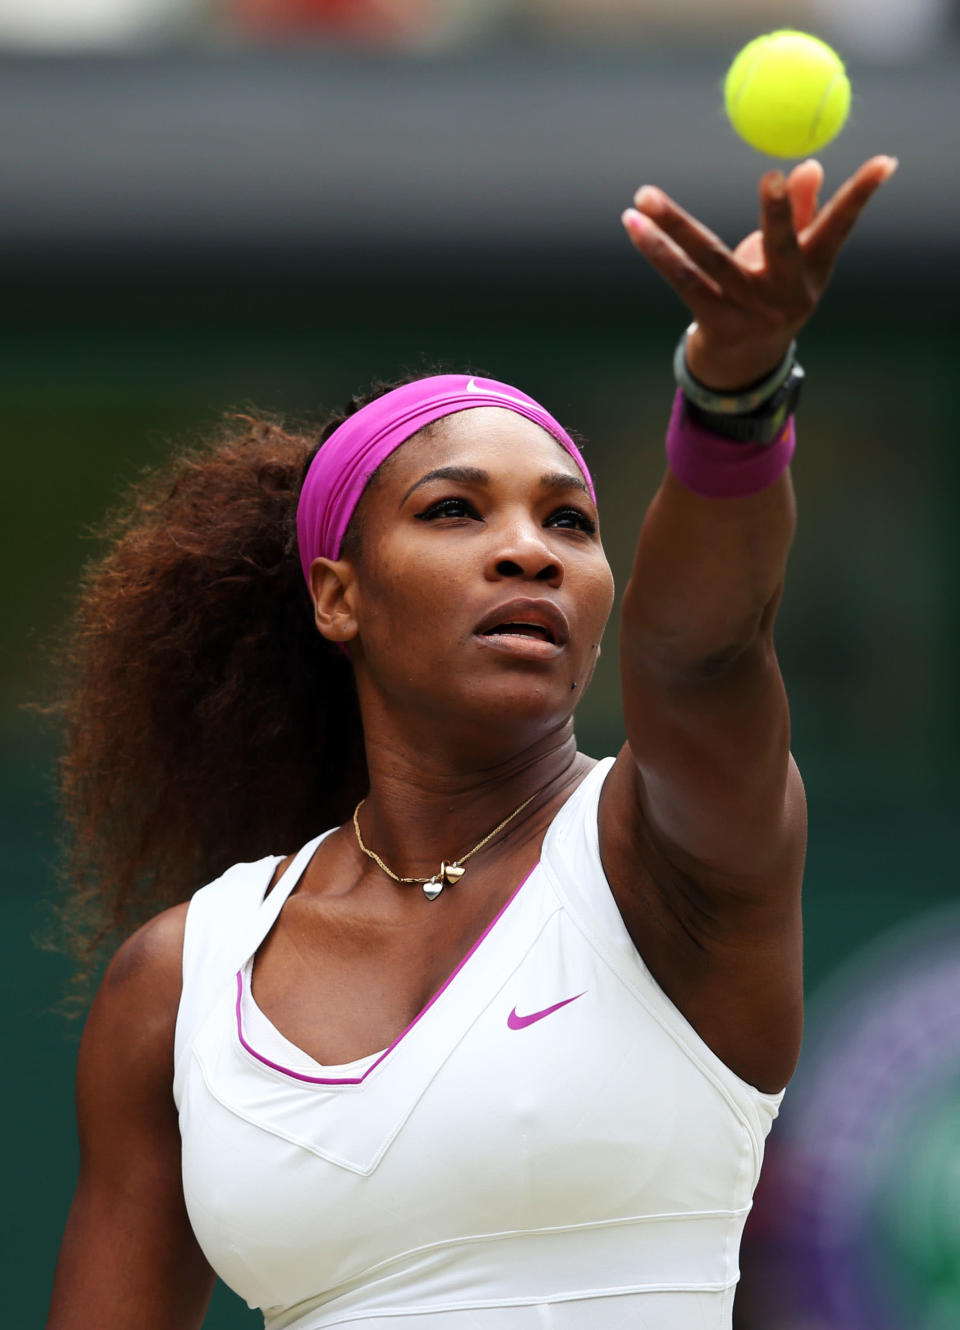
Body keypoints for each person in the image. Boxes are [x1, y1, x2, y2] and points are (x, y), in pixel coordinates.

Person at [45, 153, 897, 1330]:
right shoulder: (178, 982)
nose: (530, 550)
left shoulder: (672, 859)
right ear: (337, 596)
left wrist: (734, 395)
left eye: (570, 520)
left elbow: (702, 653)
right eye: (455, 510)